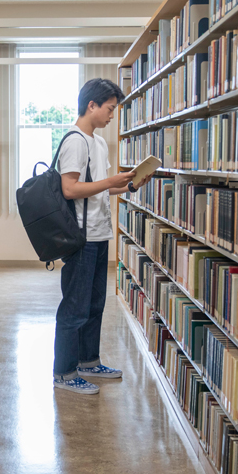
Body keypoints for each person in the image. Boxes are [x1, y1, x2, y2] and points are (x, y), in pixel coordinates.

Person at [53, 78, 152, 395]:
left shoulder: (98, 142)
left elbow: (104, 187)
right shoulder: (76, 141)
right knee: (75, 307)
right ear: (91, 105)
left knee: (95, 304)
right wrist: (111, 180)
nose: (112, 116)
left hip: (99, 233)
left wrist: (132, 184)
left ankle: (88, 362)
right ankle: (64, 372)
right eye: (109, 109)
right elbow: (70, 189)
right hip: (81, 238)